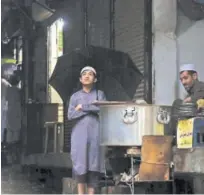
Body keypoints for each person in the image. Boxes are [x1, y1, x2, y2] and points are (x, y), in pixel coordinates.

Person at [67, 66, 106, 194]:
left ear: (95, 79)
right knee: (80, 166)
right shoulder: (75, 96)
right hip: (79, 136)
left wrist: (83, 107)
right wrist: (92, 106)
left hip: (96, 136)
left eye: (90, 74)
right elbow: (70, 115)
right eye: (84, 74)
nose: (87, 76)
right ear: (80, 79)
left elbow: (103, 109)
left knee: (93, 166)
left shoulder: (100, 94)